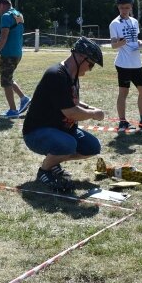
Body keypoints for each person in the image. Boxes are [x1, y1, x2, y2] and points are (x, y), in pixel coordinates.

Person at [22, 37, 105, 192]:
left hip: (60, 131)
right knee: (68, 144)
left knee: (92, 146)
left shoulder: (72, 76)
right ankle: (44, 171)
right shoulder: (56, 75)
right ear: (80, 56)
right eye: (91, 63)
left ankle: (54, 163)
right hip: (36, 132)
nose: (90, 68)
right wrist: (93, 114)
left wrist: (89, 107)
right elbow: (71, 112)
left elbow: (71, 101)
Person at [108, 0, 142, 132]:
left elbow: (136, 41)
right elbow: (113, 45)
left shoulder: (134, 22)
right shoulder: (114, 24)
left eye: (127, 7)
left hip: (136, 64)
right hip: (123, 64)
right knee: (123, 93)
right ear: (118, 7)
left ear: (131, 7)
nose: (124, 10)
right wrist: (120, 43)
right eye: (122, 7)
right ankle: (122, 122)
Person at [0, 0, 30, 119]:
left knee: (5, 81)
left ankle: (13, 110)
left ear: (1, 5)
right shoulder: (18, 14)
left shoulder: (6, 16)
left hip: (8, 54)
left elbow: (4, 36)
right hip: (17, 52)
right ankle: (24, 99)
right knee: (8, 77)